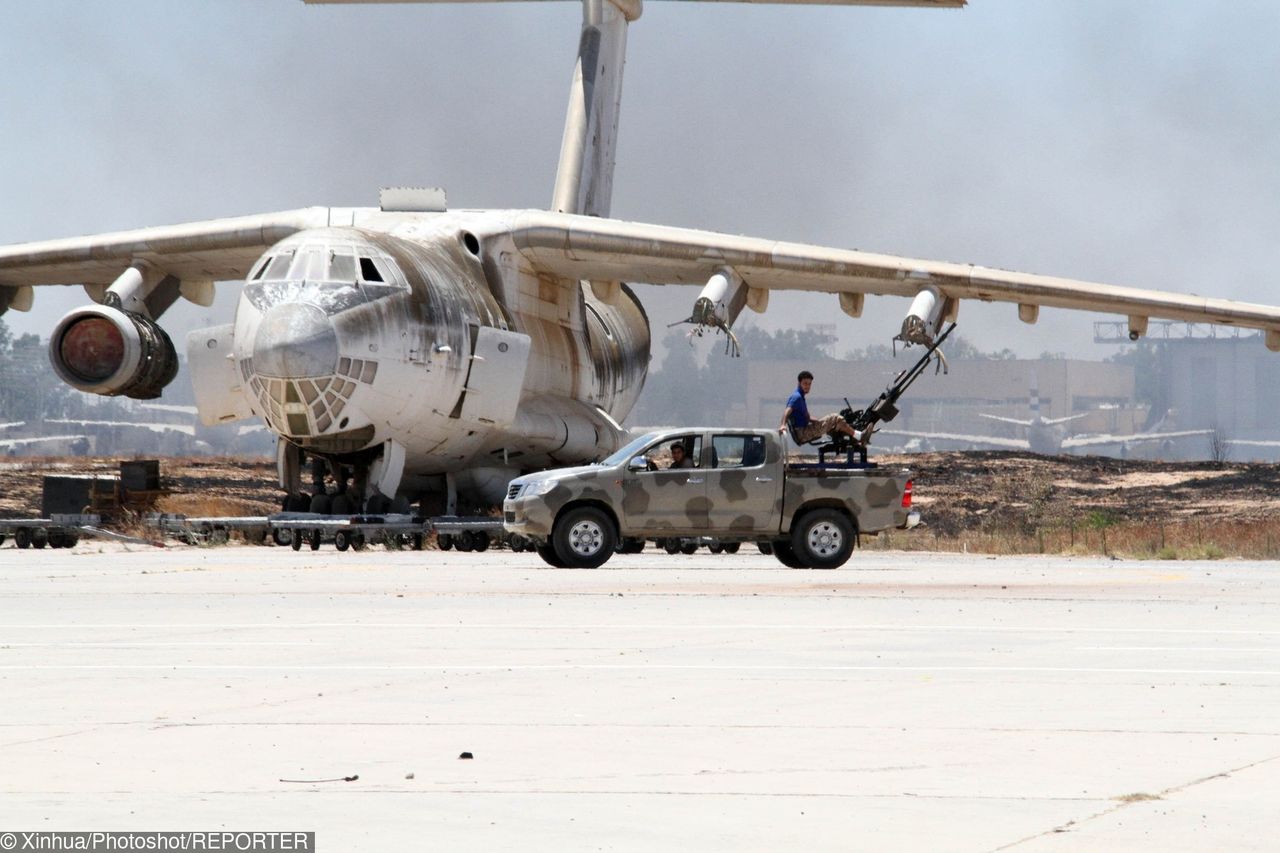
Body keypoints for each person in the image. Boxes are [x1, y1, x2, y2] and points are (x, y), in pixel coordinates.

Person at [779, 370, 864, 444]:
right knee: (835, 418)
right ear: (799, 383)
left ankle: (856, 437)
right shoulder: (796, 397)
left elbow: (807, 417)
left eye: (809, 384)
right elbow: (787, 411)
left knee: (834, 422)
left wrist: (819, 422)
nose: (807, 386)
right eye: (805, 384)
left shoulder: (800, 397)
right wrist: (783, 425)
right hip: (803, 433)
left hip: (804, 430)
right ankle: (859, 436)